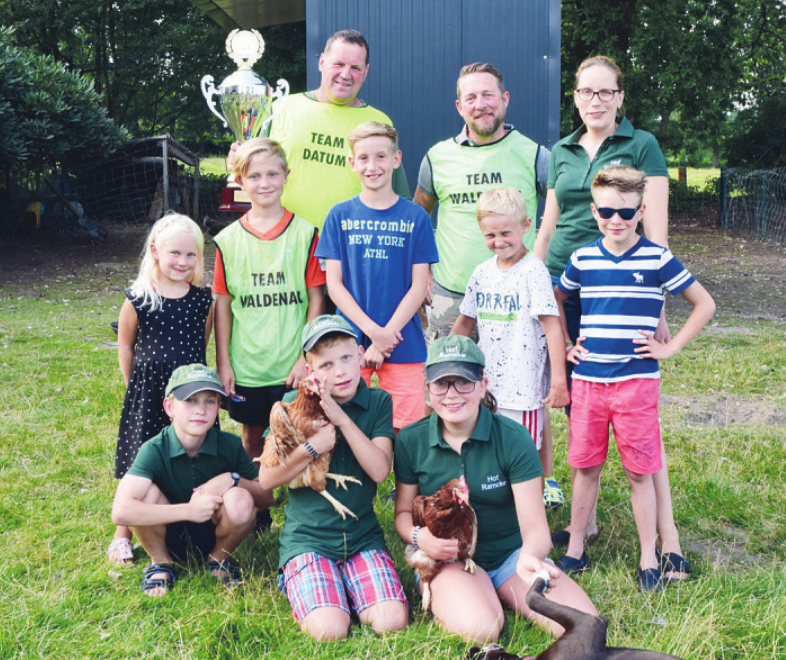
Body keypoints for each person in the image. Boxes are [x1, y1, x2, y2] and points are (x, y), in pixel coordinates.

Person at [532, 55, 682, 566]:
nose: (595, 101)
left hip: (623, 286)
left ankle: (666, 534)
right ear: (574, 96)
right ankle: (584, 521)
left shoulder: (642, 145)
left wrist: (655, 302)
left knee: (635, 403)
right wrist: (529, 277)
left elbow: (656, 227)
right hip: (565, 282)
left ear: (620, 97)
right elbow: (548, 224)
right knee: (578, 395)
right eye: (585, 92)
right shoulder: (563, 149)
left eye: (605, 92)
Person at [553, 166, 715, 591]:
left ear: (641, 211)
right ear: (593, 211)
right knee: (585, 466)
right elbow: (556, 298)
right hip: (588, 381)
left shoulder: (657, 258)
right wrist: (568, 341)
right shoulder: (582, 258)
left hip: (636, 383)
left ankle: (648, 557)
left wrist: (670, 346)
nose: (616, 221)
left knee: (639, 472)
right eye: (606, 212)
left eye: (625, 212)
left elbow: (704, 304)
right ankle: (574, 549)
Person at [414, 63, 564, 508]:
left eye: (489, 95)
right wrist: (420, 274)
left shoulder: (535, 154)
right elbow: (420, 216)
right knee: (448, 385)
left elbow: (556, 209)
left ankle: (544, 478)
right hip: (452, 294)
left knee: (524, 382)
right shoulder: (437, 156)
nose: (481, 104)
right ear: (459, 106)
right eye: (471, 98)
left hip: (517, 295)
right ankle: (444, 476)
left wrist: (537, 256)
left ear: (505, 99)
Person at [394, 335, 596, 643]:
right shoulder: (411, 440)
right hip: (448, 559)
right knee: (481, 629)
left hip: (509, 556)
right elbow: (402, 514)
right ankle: (465, 593)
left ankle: (499, 587)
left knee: (584, 625)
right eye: (441, 384)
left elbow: (536, 530)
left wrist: (530, 557)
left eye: (463, 382)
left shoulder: (513, 438)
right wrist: (423, 540)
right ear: (427, 390)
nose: (451, 394)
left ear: (482, 384)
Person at [258, 315, 408, 641]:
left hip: (362, 537)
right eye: (325, 365)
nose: (339, 371)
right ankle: (310, 579)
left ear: (360, 357)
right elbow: (267, 480)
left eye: (346, 358)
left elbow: (380, 471)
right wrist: (310, 448)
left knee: (391, 621)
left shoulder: (378, 402)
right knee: (329, 630)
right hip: (308, 539)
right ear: (310, 372)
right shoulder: (288, 407)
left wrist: (342, 421)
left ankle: (343, 585)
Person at [111, 364, 273, 596]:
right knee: (143, 495)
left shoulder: (230, 445)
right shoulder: (154, 448)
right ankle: (161, 564)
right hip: (164, 535)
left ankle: (217, 561)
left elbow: (267, 498)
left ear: (219, 407)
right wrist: (189, 510)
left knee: (240, 497)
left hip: (214, 533)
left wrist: (233, 479)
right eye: (190, 400)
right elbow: (120, 511)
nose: (200, 410)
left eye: (210, 401)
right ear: (169, 407)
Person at [317, 122, 438, 431]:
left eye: (381, 157)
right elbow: (334, 285)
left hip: (403, 342)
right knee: (344, 425)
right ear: (352, 163)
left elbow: (418, 286)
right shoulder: (338, 215)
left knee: (407, 432)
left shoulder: (416, 217)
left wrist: (385, 339)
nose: (373, 166)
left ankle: (406, 483)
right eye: (364, 158)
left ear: (396, 159)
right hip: (348, 345)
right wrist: (373, 332)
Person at [108, 213, 214, 565]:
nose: (183, 262)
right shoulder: (139, 297)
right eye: (175, 254)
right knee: (140, 457)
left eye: (191, 255)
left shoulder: (202, 301)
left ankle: (185, 517)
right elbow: (126, 345)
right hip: (149, 393)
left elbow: (201, 344)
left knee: (187, 452)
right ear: (155, 251)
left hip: (187, 396)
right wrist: (132, 387)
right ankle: (123, 532)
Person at [213, 138, 325, 470]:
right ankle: (260, 498)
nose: (264, 184)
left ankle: (299, 498)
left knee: (299, 431)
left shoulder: (305, 234)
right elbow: (222, 304)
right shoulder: (228, 241)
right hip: (248, 362)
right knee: (252, 436)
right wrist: (224, 363)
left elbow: (316, 299)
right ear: (240, 181)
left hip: (291, 362)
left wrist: (304, 358)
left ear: (286, 175)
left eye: (272, 174)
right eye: (254, 176)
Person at [228, 29, 409, 232]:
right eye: (339, 64)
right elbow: (251, 172)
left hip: (353, 250)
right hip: (286, 246)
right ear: (322, 62)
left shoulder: (379, 122)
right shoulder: (280, 109)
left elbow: (399, 198)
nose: (346, 74)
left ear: (366, 72)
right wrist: (238, 156)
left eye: (355, 68)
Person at [451, 188, 570, 477]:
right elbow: (465, 324)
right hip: (486, 389)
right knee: (490, 457)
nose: (499, 242)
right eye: (490, 235)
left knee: (524, 461)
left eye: (506, 233)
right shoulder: (481, 272)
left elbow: (552, 327)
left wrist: (558, 381)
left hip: (523, 390)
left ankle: (529, 520)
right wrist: (445, 362)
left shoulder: (534, 271)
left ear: (526, 226)